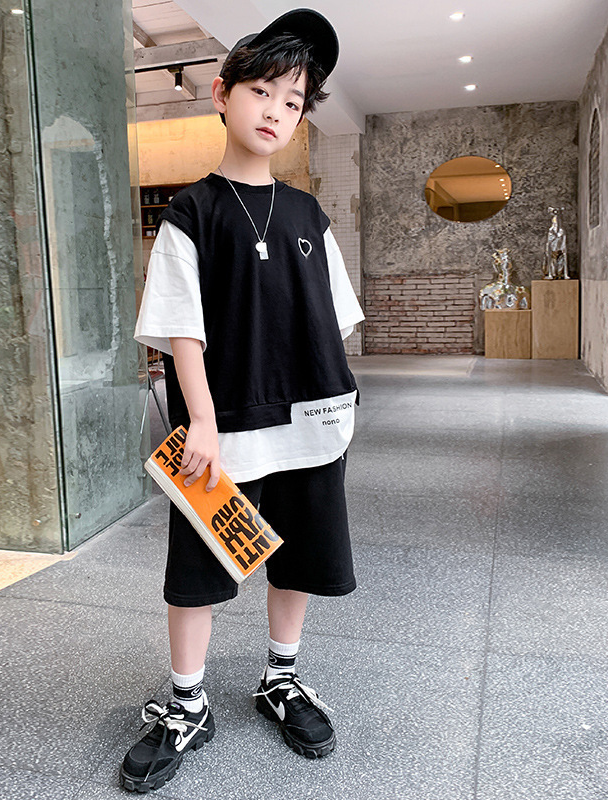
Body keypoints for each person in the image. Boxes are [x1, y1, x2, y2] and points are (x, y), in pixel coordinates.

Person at [121, 8, 364, 793]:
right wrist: (202, 420)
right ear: (222, 94)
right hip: (222, 434)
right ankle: (187, 703)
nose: (275, 111)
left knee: (297, 558)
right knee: (195, 571)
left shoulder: (308, 214)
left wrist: (334, 404)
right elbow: (181, 329)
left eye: (292, 101)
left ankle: (281, 678)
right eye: (262, 91)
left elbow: (334, 318)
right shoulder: (193, 211)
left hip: (309, 425)